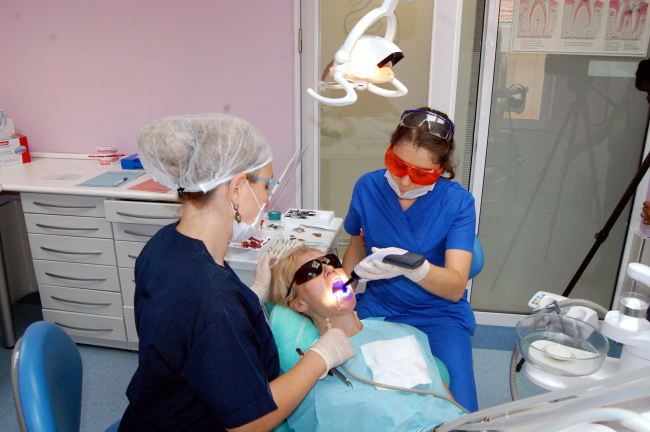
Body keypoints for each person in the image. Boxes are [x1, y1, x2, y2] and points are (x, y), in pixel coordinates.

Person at [118, 114, 355, 432]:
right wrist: (319, 358)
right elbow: (249, 424)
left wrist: (250, 298)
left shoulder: (163, 245)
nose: (268, 199)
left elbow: (186, 333)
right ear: (237, 189)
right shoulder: (214, 301)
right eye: (266, 186)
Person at [342, 107, 479, 412]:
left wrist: (415, 268)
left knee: (460, 412)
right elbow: (356, 246)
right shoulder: (368, 187)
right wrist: (344, 288)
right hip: (380, 306)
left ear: (441, 168)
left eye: (420, 173)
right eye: (397, 165)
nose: (404, 181)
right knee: (356, 393)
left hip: (439, 313)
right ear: (389, 150)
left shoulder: (458, 203)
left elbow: (455, 288)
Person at [268, 245, 467, 431]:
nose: (329, 269)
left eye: (331, 261)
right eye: (311, 271)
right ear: (299, 304)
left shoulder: (401, 333)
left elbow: (450, 406)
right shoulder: (314, 377)